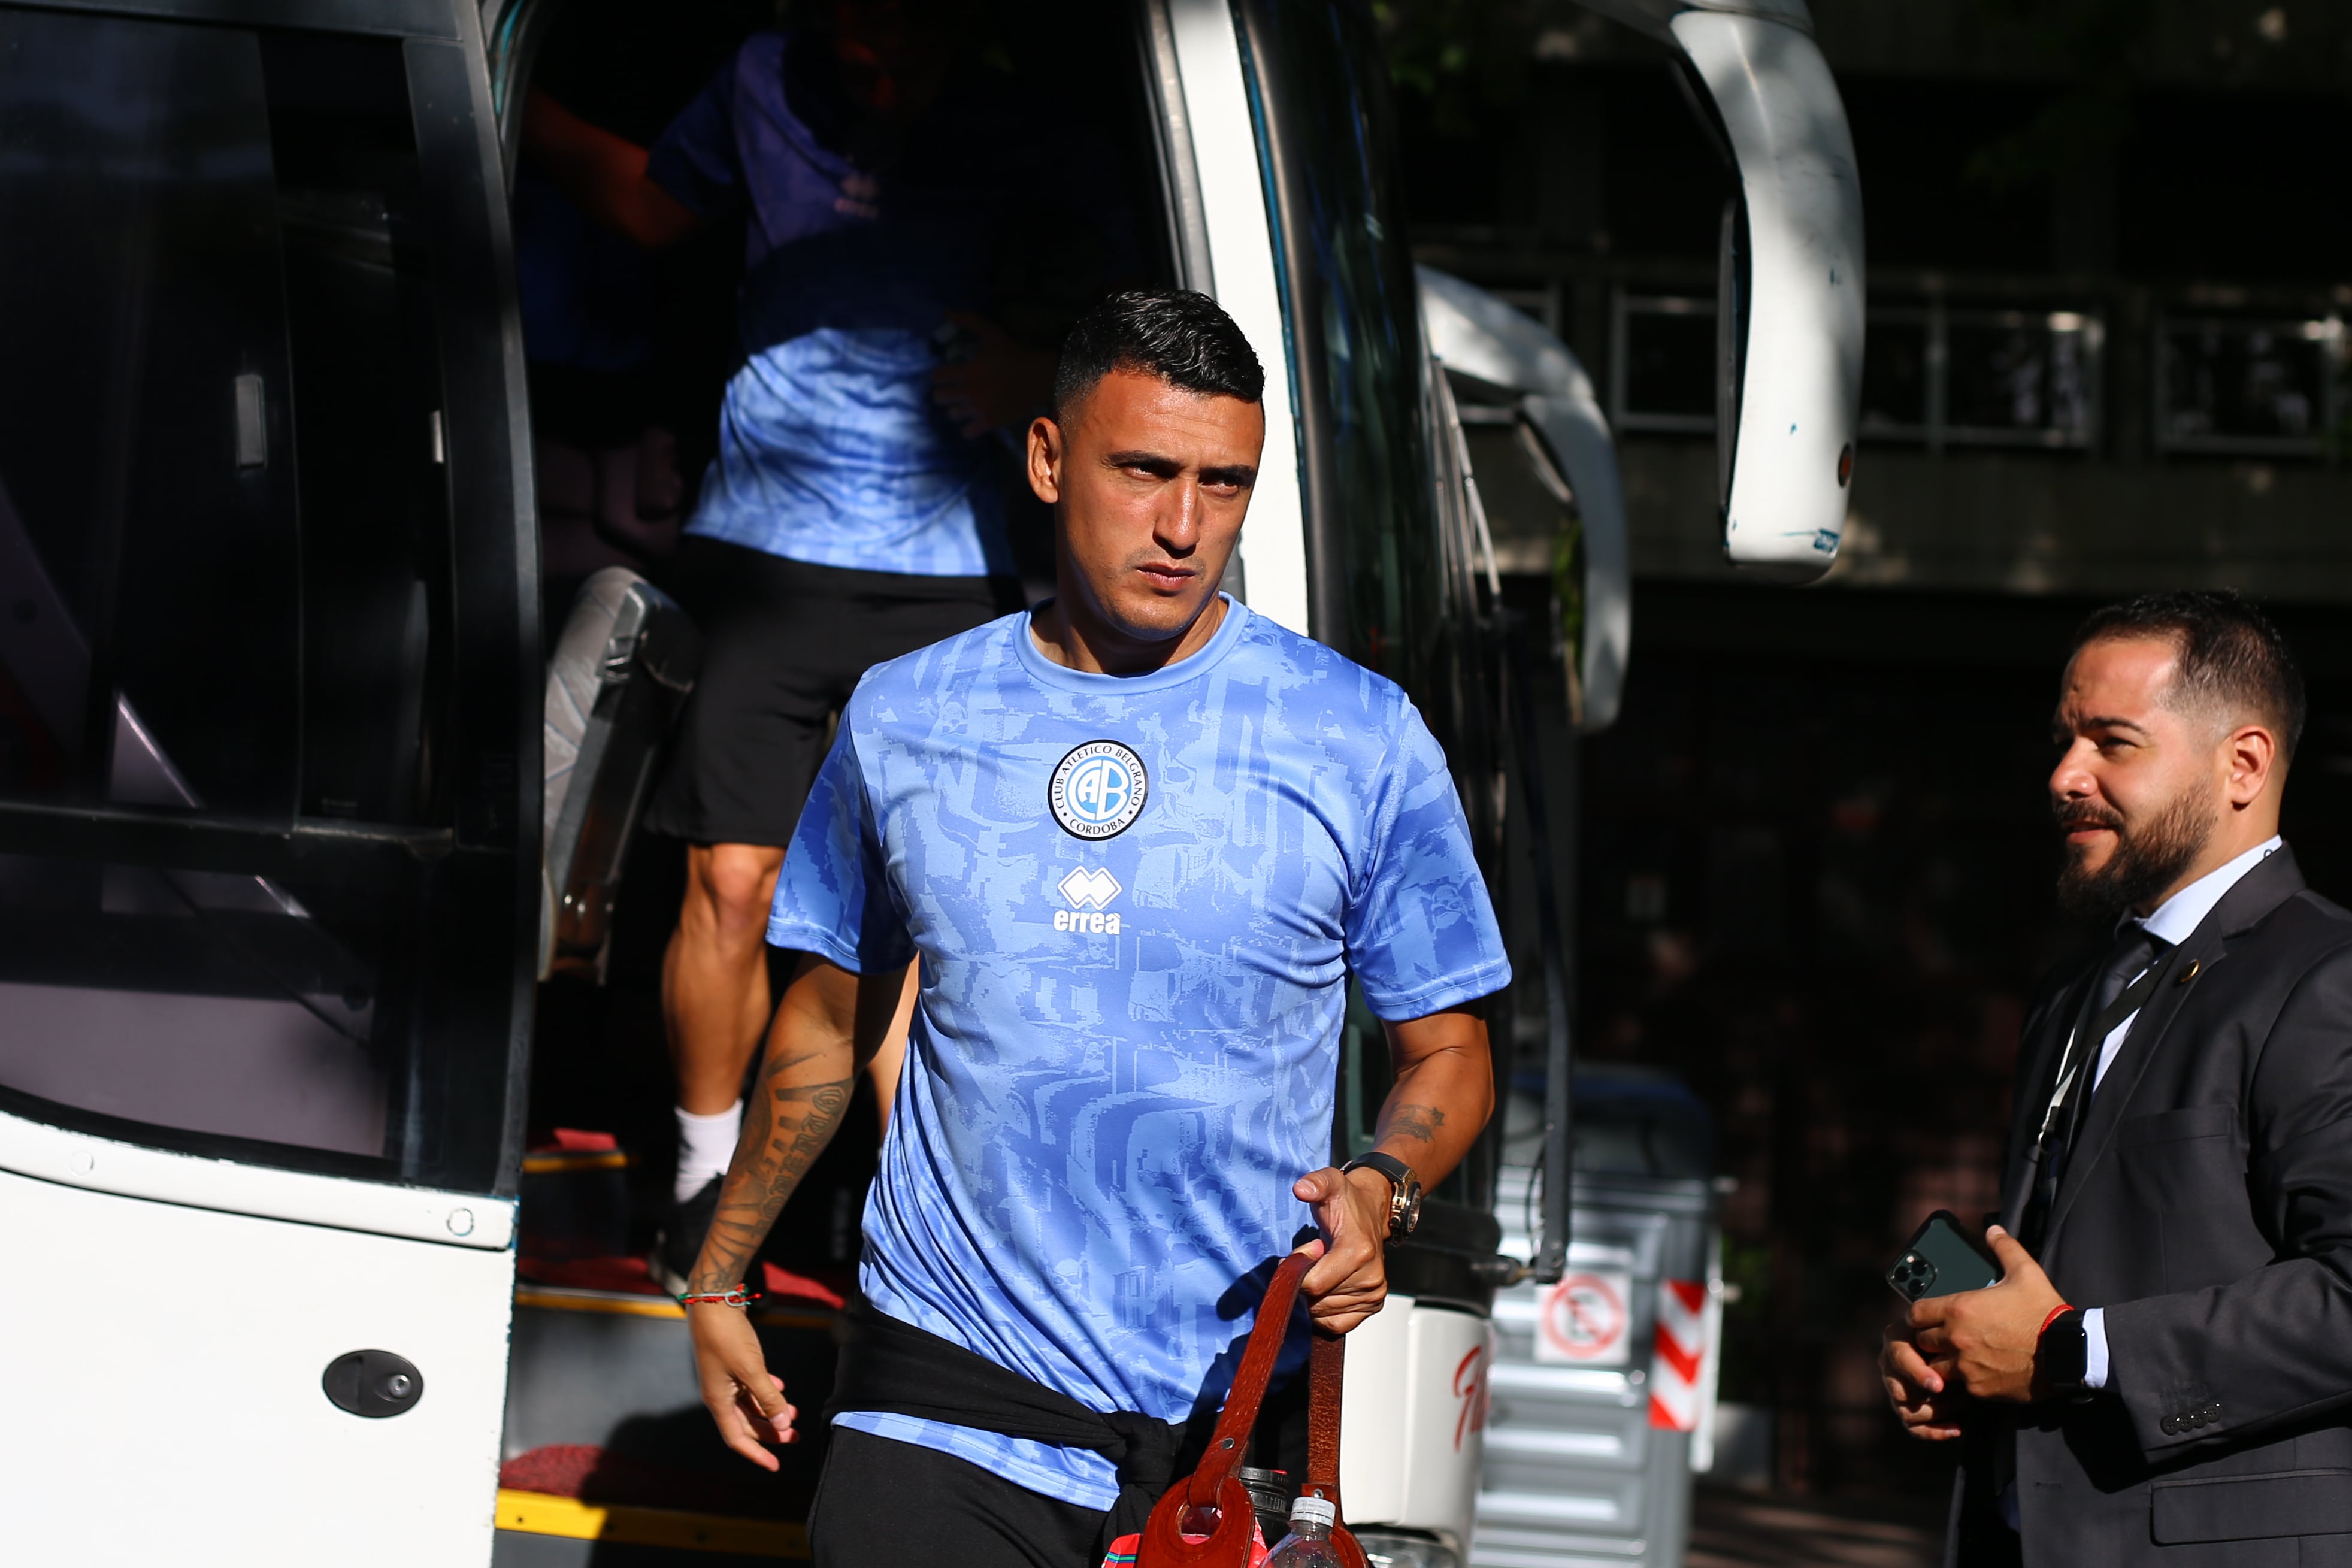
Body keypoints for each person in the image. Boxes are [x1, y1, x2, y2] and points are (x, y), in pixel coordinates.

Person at [676, 289, 1511, 1566]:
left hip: (1222, 1438)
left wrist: (1379, 1185)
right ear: (1048, 459)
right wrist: (723, 1272)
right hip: (943, 1402)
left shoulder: (1358, 734)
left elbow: (1447, 1053)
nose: (1183, 526)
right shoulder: (903, 715)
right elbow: (827, 1021)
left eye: (1222, 485)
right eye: (1143, 471)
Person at [522, 0, 1128, 1284]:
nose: (888, 59)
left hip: (946, 579)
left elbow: (1143, 302)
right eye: (866, 35)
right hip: (765, 561)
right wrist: (494, 97)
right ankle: (698, 1179)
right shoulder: (758, 81)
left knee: (909, 925)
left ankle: (906, 1220)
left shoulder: (1028, 129)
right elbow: (645, 207)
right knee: (728, 887)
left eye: (916, 36)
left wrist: (1042, 368)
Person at [1879, 591, 2352, 1566]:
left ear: (2245, 763)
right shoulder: (2075, 988)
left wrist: (2067, 1351)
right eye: (2065, 739)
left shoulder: (2326, 974)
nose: (2064, 775)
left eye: (2113, 742)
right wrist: (1968, 1358)